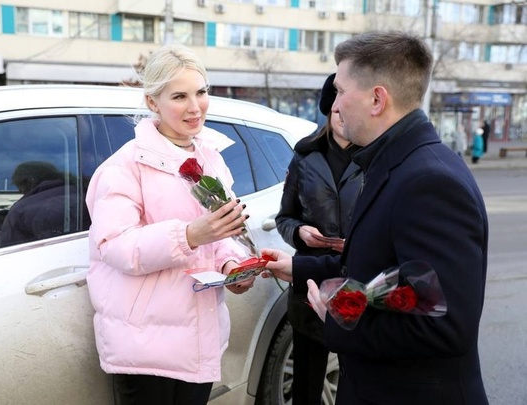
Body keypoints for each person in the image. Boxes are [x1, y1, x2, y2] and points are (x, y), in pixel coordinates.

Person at [262, 31, 489, 405]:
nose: (333, 103)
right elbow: (385, 267)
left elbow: (444, 326)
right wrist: (299, 268)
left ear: (377, 99)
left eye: (339, 90)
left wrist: (338, 321)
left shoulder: (429, 180)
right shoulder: (396, 163)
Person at [85, 44, 254, 405]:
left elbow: (220, 232)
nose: (195, 107)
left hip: (199, 337)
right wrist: (190, 235)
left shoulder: (210, 157)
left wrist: (233, 265)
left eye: (201, 92)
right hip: (145, 348)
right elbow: (115, 246)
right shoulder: (125, 167)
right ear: (152, 102)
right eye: (179, 96)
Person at [275, 72, 362, 404]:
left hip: (355, 277)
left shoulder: (373, 157)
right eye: (336, 112)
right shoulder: (305, 156)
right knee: (307, 382)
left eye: (346, 111)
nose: (343, 119)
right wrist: (298, 232)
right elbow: (284, 217)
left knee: (357, 377)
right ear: (328, 111)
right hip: (309, 279)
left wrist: (355, 240)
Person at [0, 161, 79, 247]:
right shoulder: (82, 193)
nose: (19, 191)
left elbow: (9, 252)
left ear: (30, 181)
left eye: (19, 185)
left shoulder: (21, 211)